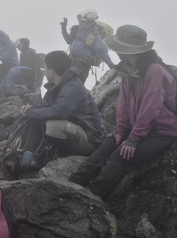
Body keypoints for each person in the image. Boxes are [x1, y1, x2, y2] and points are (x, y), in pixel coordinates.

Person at [69, 25, 177, 199]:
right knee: (107, 145)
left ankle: (91, 198)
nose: (115, 51)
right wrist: (120, 131)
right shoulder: (128, 69)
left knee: (122, 156)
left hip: (162, 131)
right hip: (140, 128)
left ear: (129, 50)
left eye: (118, 48)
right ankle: (73, 183)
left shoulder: (155, 71)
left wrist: (134, 138)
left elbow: (151, 107)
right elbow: (124, 103)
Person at [19, 50, 103, 169]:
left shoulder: (73, 87)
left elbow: (58, 112)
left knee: (53, 125)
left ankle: (64, 160)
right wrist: (29, 109)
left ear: (52, 71)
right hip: (73, 131)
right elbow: (44, 106)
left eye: (44, 66)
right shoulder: (56, 86)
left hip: (89, 140)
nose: (43, 69)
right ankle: (28, 156)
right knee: (34, 117)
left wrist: (31, 111)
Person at [61, 8, 115, 84]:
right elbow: (69, 41)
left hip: (83, 64)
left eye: (82, 21)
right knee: (62, 82)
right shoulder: (76, 29)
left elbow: (101, 50)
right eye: (79, 20)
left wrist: (111, 65)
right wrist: (64, 30)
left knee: (76, 84)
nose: (79, 23)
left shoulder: (95, 34)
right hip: (71, 59)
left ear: (90, 22)